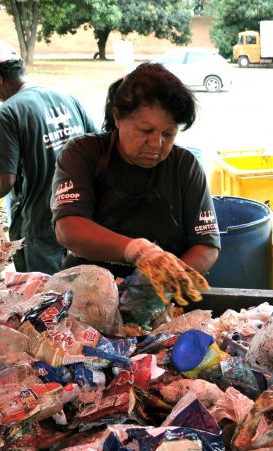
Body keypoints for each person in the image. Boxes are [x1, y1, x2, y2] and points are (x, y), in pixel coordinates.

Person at [50, 62, 220, 305]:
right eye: (146, 130)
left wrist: (164, 286)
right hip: (85, 295)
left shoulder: (185, 166)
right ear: (117, 117)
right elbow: (68, 228)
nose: (156, 143)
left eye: (168, 134)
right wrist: (136, 250)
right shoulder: (82, 153)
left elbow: (206, 245)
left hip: (158, 302)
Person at [0, 39, 97, 274]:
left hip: (42, 221)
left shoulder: (8, 112)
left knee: (44, 296)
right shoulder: (67, 98)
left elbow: (5, 180)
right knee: (80, 287)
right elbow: (99, 148)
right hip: (82, 212)